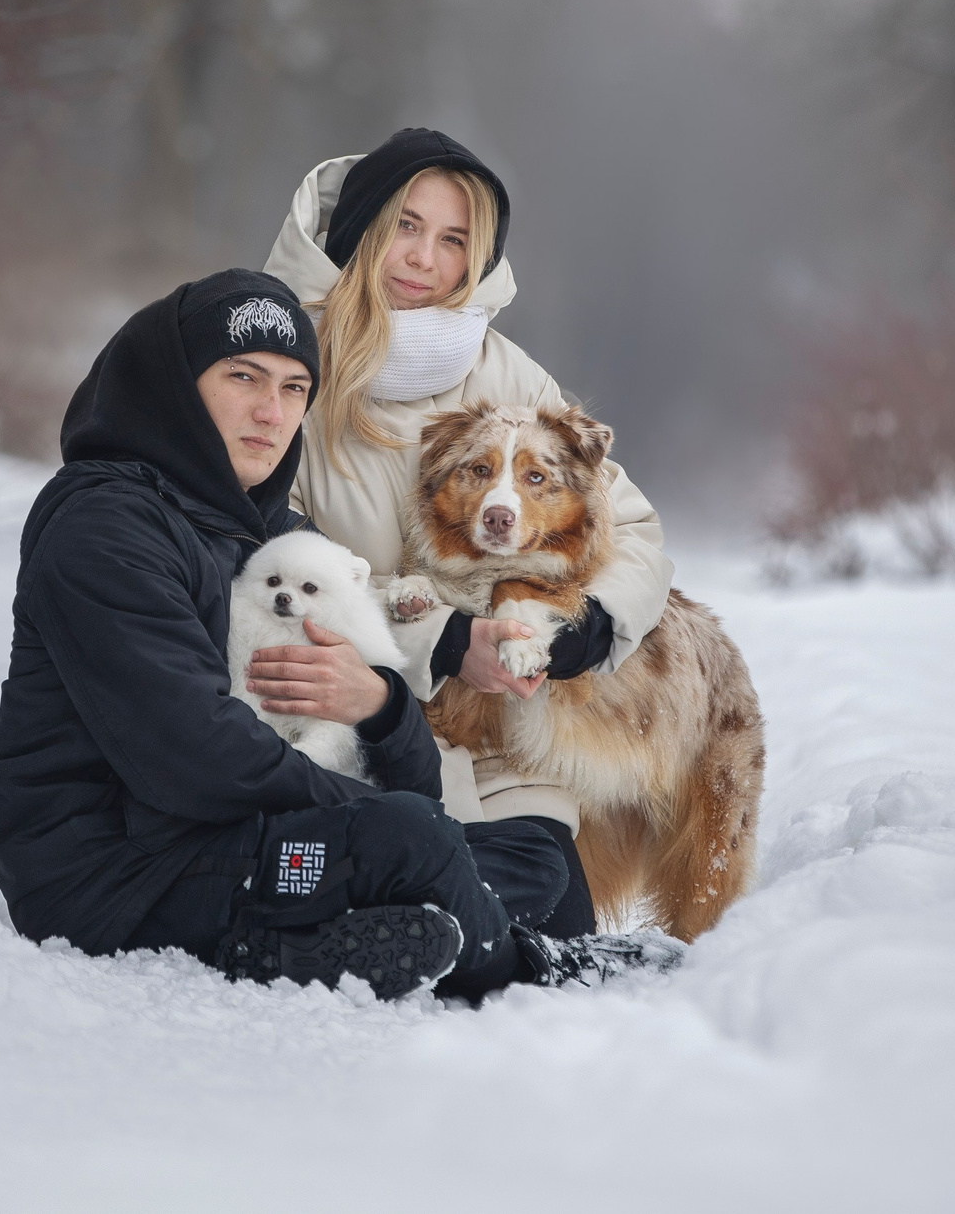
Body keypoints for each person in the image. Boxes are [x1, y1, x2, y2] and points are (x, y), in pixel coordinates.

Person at [0, 268, 651, 1000]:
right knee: (416, 838)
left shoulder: (269, 532)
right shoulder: (105, 526)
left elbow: (407, 760)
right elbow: (191, 758)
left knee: (533, 852)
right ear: (178, 381)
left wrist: (381, 708)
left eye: (295, 388)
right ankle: (515, 966)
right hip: (116, 873)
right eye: (244, 377)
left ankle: (339, 932)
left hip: (231, 838)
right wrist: (393, 824)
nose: (272, 411)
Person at [262, 129, 677, 938]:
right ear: (363, 229)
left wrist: (587, 627)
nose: (424, 259)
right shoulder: (284, 368)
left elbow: (633, 528)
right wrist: (448, 641)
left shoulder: (506, 371)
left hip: (502, 746)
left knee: (553, 914)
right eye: (406, 227)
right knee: (468, 916)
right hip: (355, 728)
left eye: (454, 240)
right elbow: (275, 573)